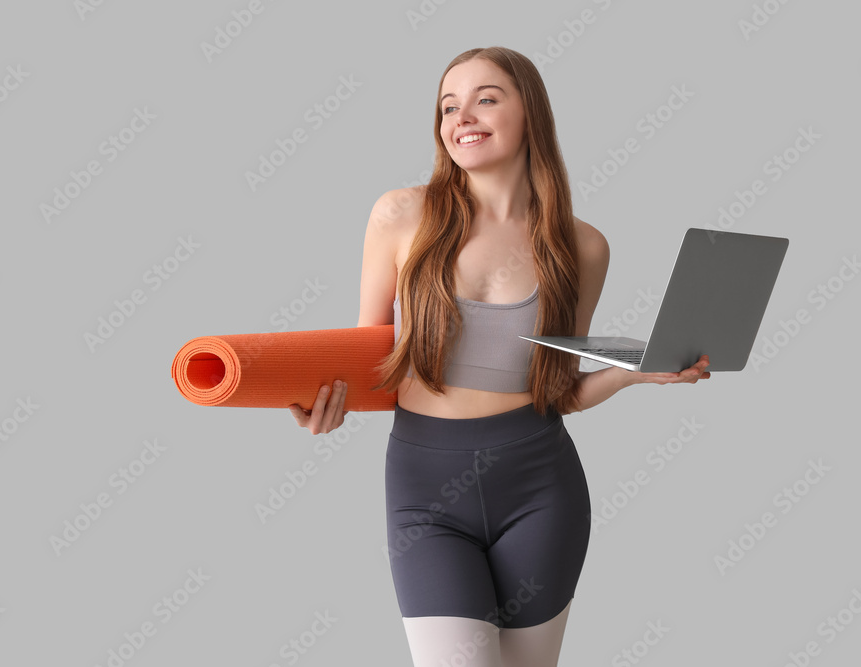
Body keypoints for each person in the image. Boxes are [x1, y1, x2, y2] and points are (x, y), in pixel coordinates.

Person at [289, 46, 710, 667]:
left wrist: (631, 377)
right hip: (424, 490)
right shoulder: (402, 215)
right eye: (448, 105)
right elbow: (369, 353)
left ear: (529, 112)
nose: (463, 115)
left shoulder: (582, 245)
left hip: (541, 486)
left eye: (486, 98)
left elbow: (558, 388)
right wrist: (324, 403)